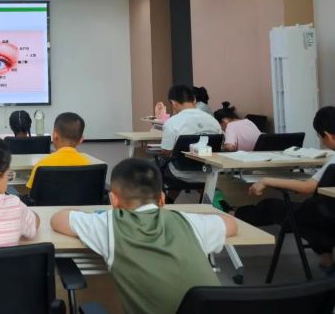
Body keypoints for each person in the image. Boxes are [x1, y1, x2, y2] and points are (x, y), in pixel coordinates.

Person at [51, 158, 236, 314]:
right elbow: (231, 224)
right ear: (162, 199)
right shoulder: (187, 221)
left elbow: (58, 219)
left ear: (113, 200)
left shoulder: (109, 223)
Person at [237, 106, 335, 273]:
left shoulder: (333, 162)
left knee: (268, 205)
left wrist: (267, 180)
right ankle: (327, 262)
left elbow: (307, 187)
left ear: (327, 135)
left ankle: (232, 214)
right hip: (328, 216)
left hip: (321, 218)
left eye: (320, 138)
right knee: (319, 214)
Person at [160, 85, 222, 183]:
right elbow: (220, 146)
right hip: (209, 173)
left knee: (153, 165)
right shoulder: (213, 121)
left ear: (173, 103)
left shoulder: (172, 122)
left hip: (181, 173)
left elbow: (166, 152)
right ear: (194, 100)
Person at [26, 112, 91, 189]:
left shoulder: (42, 164)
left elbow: (31, 191)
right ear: (81, 139)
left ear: (55, 135)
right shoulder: (88, 165)